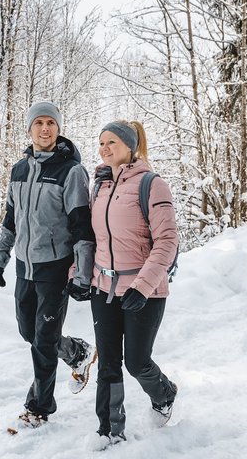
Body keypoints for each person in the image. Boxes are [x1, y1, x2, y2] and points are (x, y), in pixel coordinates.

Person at [0, 101, 97, 428]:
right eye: (39, 123)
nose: (45, 128)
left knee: (43, 341)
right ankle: (77, 352)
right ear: (30, 128)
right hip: (25, 267)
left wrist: (82, 273)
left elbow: (82, 227)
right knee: (30, 333)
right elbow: (11, 220)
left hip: (55, 269)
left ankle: (38, 408)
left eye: (51, 122)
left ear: (58, 128)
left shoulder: (71, 172)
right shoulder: (19, 170)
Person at [80, 120, 179, 446]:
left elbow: (167, 242)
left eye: (111, 142)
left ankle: (164, 393)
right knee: (108, 362)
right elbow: (90, 239)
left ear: (129, 146)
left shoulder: (151, 184)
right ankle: (110, 431)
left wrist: (142, 285)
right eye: (101, 143)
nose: (104, 149)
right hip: (103, 289)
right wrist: (77, 276)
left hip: (144, 291)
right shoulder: (100, 187)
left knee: (136, 361)